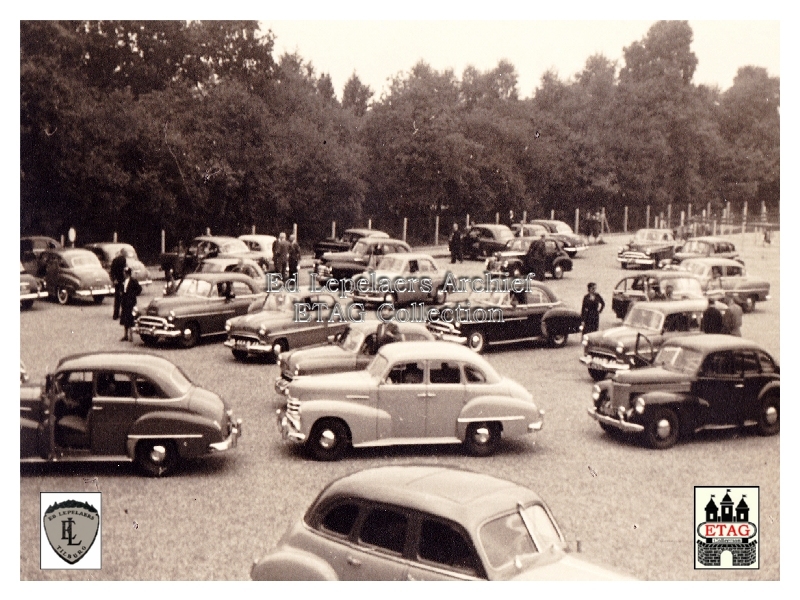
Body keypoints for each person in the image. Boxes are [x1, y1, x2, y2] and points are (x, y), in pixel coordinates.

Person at [119, 267, 142, 342]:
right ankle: (125, 335)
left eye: (125, 273)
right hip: (125, 301)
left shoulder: (133, 281)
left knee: (130, 318)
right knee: (125, 318)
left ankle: (131, 335)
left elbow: (139, 289)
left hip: (130, 302)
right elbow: (122, 289)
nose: (123, 274)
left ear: (127, 273)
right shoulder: (123, 280)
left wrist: (133, 294)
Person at [110, 248, 128, 320]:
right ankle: (123, 314)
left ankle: (115, 314)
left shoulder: (114, 260)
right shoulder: (124, 260)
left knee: (117, 298)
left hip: (117, 280)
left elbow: (112, 271)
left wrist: (114, 279)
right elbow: (124, 271)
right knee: (123, 297)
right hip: (122, 280)